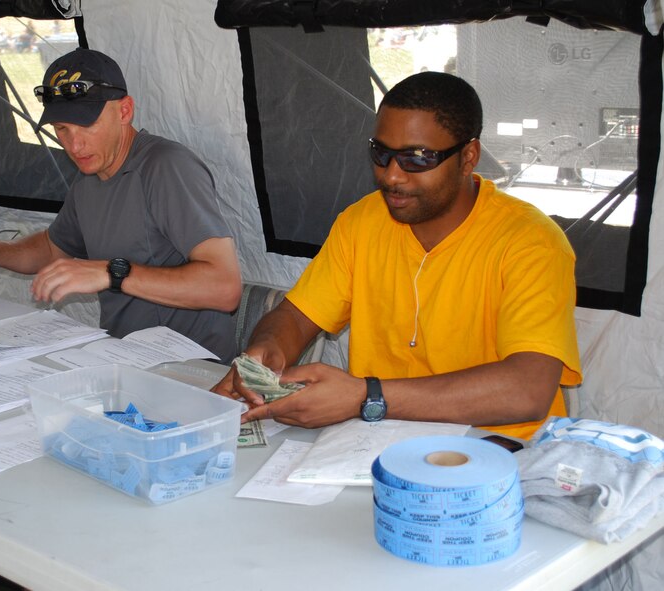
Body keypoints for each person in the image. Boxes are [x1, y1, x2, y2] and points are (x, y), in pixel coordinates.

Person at [213, 71, 582, 440]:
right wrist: (267, 349)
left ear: (468, 157)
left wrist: (366, 397)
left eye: (417, 159)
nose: (391, 176)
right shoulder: (362, 222)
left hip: (498, 451)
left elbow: (527, 390)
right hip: (375, 443)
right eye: (381, 153)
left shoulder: (531, 242)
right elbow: (295, 317)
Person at [0, 48, 242, 363]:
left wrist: (112, 274)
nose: (74, 145)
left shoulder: (166, 167)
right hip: (128, 359)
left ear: (124, 111)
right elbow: (52, 249)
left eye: (87, 125)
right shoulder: (89, 178)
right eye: (62, 129)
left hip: (192, 369)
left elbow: (225, 288)